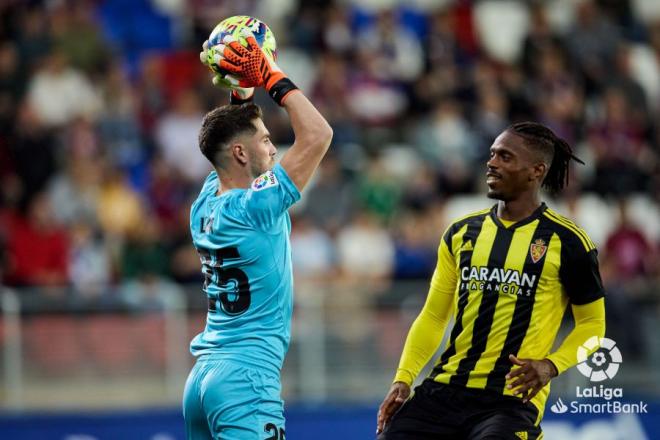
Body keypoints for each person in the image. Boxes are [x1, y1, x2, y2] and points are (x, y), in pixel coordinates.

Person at [377, 122, 606, 439]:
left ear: (535, 171)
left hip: (509, 401)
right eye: (492, 154)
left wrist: (550, 366)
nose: (492, 162)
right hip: (444, 391)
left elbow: (594, 327)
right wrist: (403, 379)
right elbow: (433, 316)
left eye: (505, 157)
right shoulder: (460, 233)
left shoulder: (568, 242)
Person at [182, 31, 333, 439]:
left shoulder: (204, 205)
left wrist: (240, 90)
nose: (273, 149)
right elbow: (319, 136)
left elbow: (231, 141)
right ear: (242, 154)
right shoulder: (257, 207)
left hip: (202, 380)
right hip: (246, 380)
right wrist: (270, 74)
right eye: (267, 141)